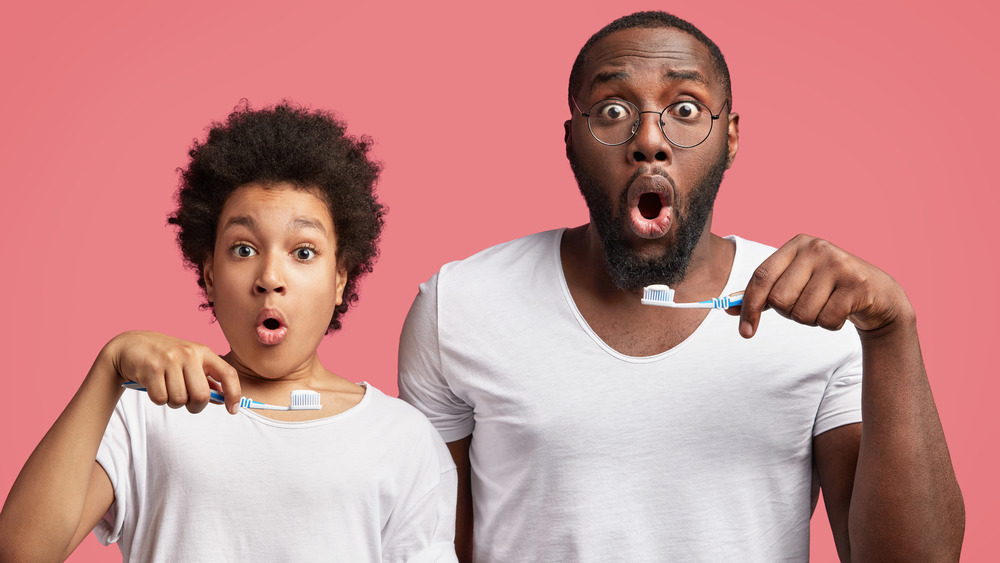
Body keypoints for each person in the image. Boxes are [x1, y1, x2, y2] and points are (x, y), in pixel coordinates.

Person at [398, 11, 964, 562]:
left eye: (686, 109)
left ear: (731, 138)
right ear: (571, 141)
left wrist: (892, 332)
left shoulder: (816, 314)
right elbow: (428, 549)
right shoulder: (461, 307)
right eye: (613, 109)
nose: (650, 140)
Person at [0, 102, 458, 562]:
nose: (269, 276)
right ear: (210, 274)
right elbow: (20, 553)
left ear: (340, 277)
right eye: (243, 248)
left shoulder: (402, 439)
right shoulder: (143, 412)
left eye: (303, 252)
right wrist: (109, 366)